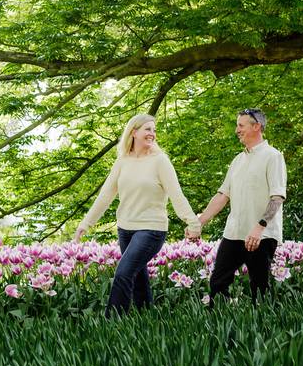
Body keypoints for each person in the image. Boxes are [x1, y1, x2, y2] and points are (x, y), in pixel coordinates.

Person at [74, 113, 201, 317]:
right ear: (134, 132)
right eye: (147, 129)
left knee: (123, 273)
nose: (152, 134)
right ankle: (147, 320)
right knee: (139, 279)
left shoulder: (160, 161)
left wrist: (193, 222)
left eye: (154, 130)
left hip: (151, 229)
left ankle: (111, 323)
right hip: (125, 229)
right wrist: (85, 224)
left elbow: (177, 195)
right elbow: (105, 196)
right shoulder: (123, 161)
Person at [196, 108, 286, 303]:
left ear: (257, 126)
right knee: (217, 284)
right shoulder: (238, 160)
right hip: (234, 232)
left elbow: (277, 197)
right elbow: (222, 195)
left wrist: (259, 226)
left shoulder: (273, 156)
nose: (237, 130)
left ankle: (262, 328)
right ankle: (223, 327)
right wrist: (200, 221)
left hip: (260, 235)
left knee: (259, 289)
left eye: (241, 125)